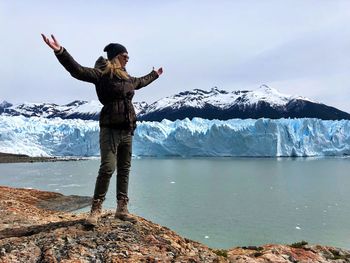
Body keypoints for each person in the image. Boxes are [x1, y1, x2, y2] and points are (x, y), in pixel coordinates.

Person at [41, 34, 163, 225]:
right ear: (115, 56)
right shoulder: (102, 75)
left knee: (124, 169)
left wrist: (154, 75)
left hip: (127, 130)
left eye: (128, 56)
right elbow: (77, 70)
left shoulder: (128, 78)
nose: (128, 58)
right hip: (110, 129)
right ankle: (95, 210)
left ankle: (122, 209)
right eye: (124, 55)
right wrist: (60, 51)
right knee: (107, 168)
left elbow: (140, 82)